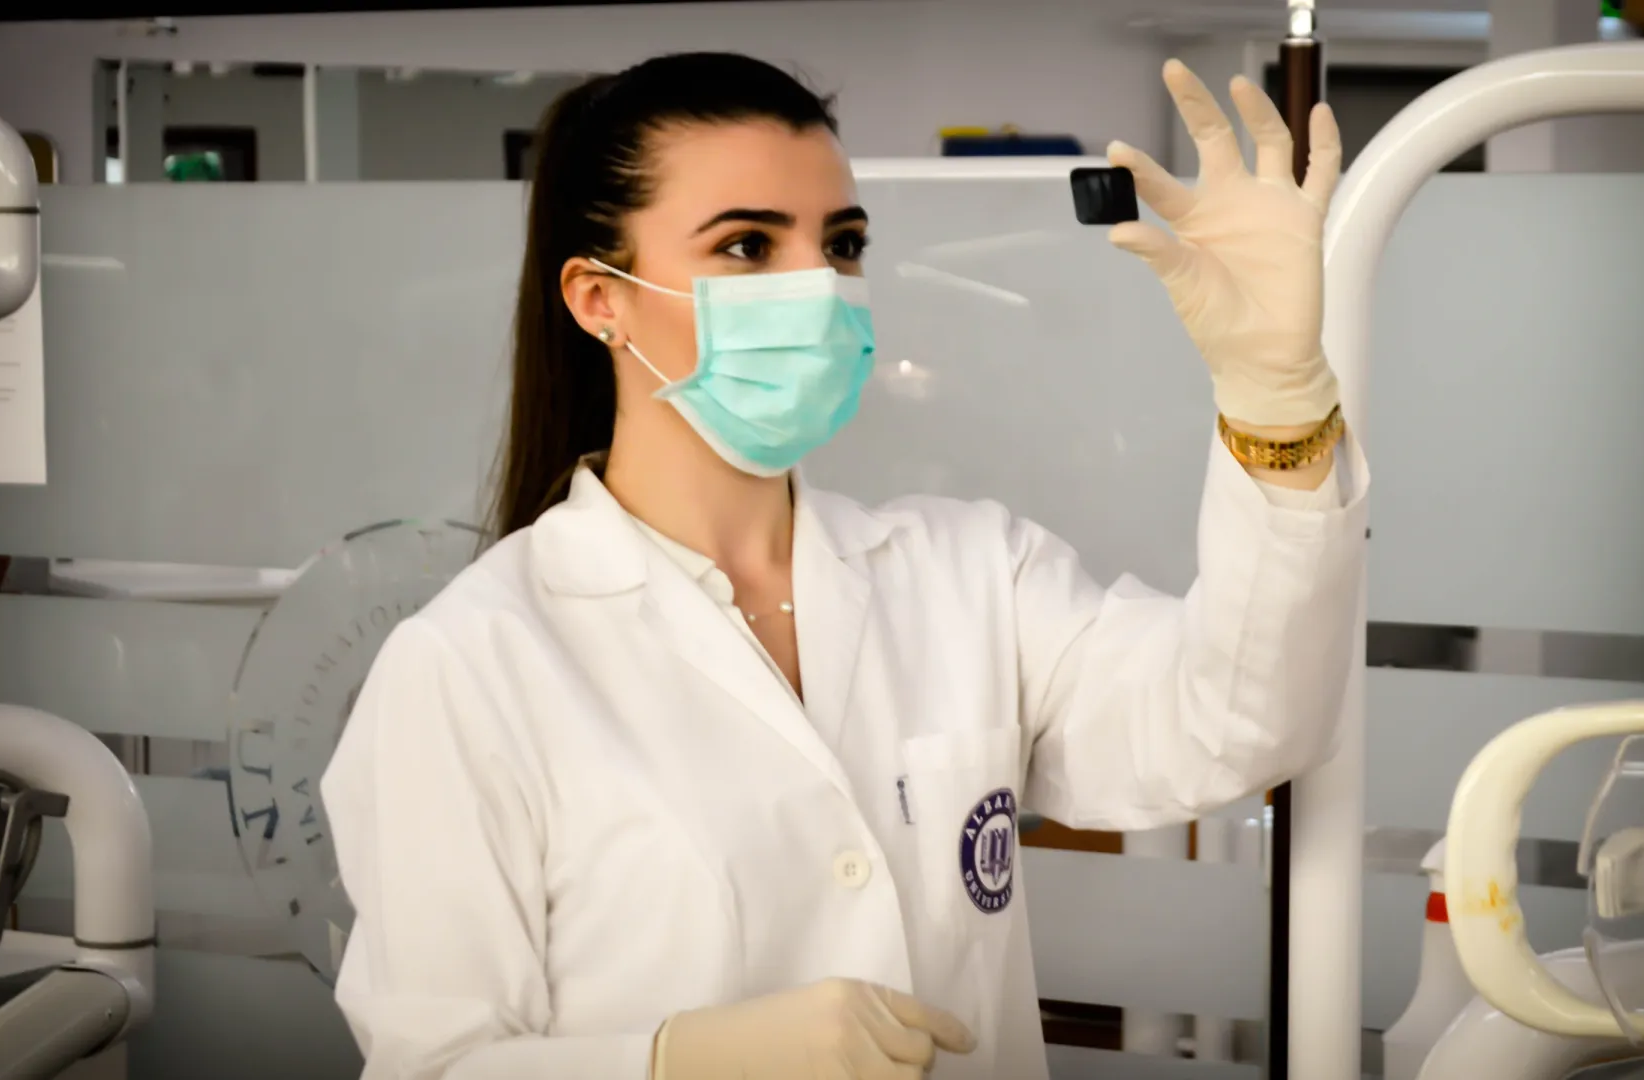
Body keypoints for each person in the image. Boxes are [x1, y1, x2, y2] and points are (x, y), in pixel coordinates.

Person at [321, 50, 1367, 1080]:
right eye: (744, 246)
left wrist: (1276, 403)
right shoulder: (471, 666)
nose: (816, 287)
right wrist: (671, 1065)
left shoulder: (969, 573)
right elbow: (436, 1063)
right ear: (600, 299)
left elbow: (1242, 723)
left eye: (843, 241)